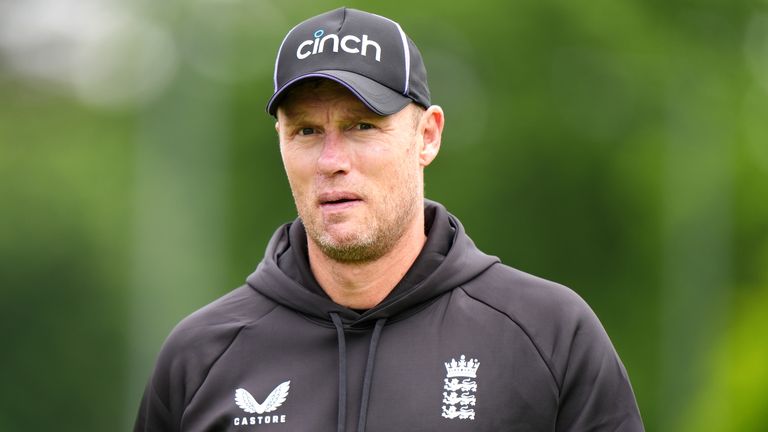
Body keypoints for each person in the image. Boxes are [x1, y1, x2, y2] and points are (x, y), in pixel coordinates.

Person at [134, 7, 644, 432]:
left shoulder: (547, 335)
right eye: (307, 131)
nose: (332, 159)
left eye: (362, 125)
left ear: (427, 136)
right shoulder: (199, 357)